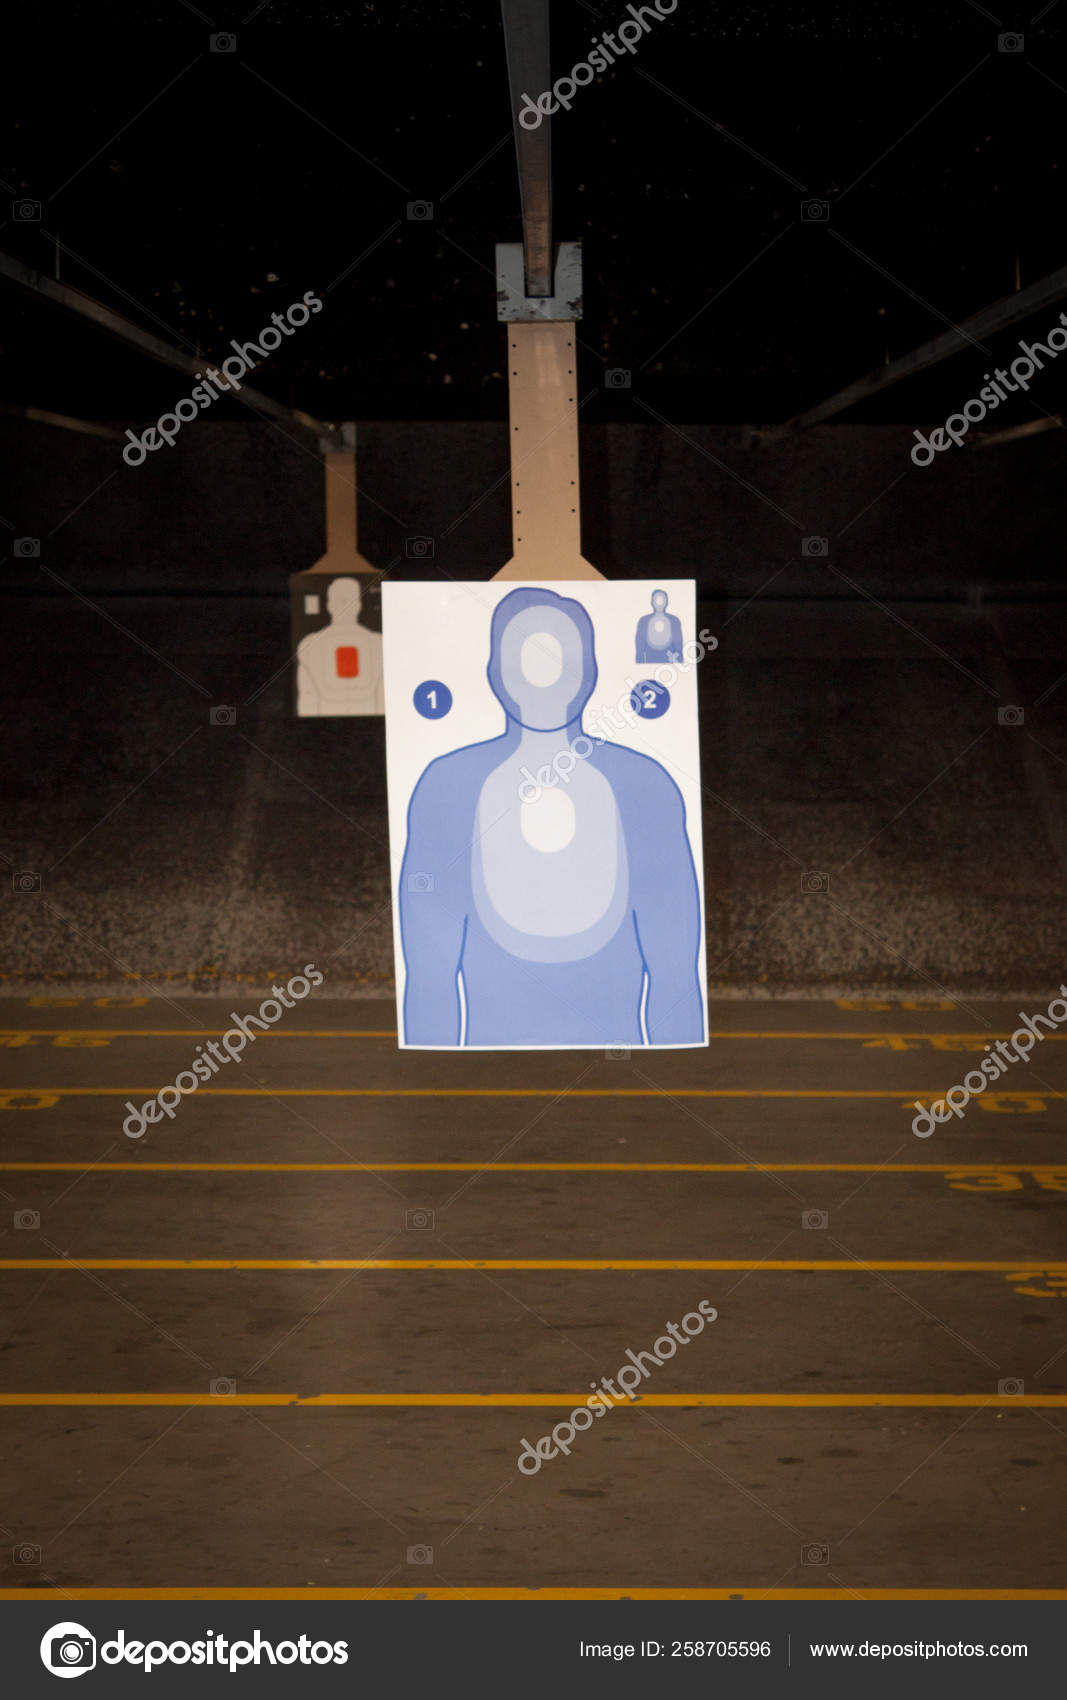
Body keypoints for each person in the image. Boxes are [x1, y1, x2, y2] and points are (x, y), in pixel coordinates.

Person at [399, 585, 704, 1047]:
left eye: (560, 657)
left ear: (591, 671)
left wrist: (680, 1087)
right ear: (493, 673)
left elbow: (676, 976)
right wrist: (433, 1093)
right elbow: (428, 979)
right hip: (485, 1085)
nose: (541, 677)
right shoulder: (446, 789)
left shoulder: (647, 788)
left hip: (620, 1086)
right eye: (525, 655)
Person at [296, 576, 383, 715]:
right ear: (358, 605)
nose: (345, 605)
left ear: (329, 605)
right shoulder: (379, 644)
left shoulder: (309, 646)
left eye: (346, 600)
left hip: (326, 730)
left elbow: (307, 701)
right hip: (370, 729)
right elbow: (383, 701)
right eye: (342, 600)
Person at [635, 588, 684, 663]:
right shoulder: (643, 621)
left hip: (670, 666)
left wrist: (677, 661)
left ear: (666, 602)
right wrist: (639, 669)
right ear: (652, 602)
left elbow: (679, 649)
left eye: (662, 600)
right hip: (648, 667)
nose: (659, 603)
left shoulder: (674, 621)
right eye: (657, 600)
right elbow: (639, 652)